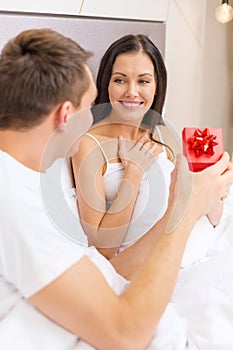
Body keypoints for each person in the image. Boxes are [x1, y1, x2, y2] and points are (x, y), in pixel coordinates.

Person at [0, 29, 232, 350]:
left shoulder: (19, 181)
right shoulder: (15, 203)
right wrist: (185, 206)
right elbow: (127, 334)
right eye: (90, 104)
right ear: (66, 116)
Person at [72, 34, 223, 260]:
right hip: (155, 268)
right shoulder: (89, 145)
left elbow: (210, 216)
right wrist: (133, 174)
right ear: (106, 83)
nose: (132, 92)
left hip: (203, 252)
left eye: (143, 81)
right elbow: (102, 248)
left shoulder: (161, 135)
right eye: (120, 80)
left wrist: (214, 189)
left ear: (156, 86)